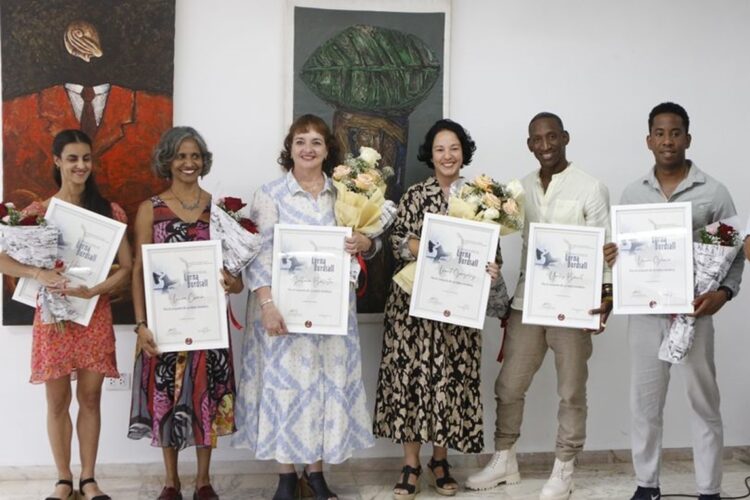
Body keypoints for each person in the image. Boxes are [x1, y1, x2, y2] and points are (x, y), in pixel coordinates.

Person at [466, 112, 611, 500]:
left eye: (552, 137)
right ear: (529, 144)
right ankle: (504, 459)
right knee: (508, 385)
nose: (545, 146)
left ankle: (564, 466)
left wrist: (606, 297)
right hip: (527, 301)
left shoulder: (591, 188)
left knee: (571, 391)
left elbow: (605, 251)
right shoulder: (520, 189)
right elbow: (495, 228)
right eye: (537, 139)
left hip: (574, 305)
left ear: (565, 137)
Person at [603, 102, 744, 500]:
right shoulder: (633, 193)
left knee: (704, 403)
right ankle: (647, 486)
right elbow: (625, 256)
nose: (668, 141)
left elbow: (732, 254)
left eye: (675, 132)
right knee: (644, 405)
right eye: (660, 133)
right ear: (649, 140)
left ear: (688, 138)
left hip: (694, 313)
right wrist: (614, 260)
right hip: (646, 317)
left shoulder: (713, 192)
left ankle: (709, 489)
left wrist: (723, 293)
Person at [232, 114, 376, 500]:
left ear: (328, 150)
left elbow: (362, 242)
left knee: (322, 388)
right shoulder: (271, 193)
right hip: (281, 309)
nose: (308, 149)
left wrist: (366, 243)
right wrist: (266, 304)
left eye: (316, 142)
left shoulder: (345, 195)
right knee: (286, 390)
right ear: (289, 149)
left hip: (330, 311)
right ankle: (285, 475)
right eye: (300, 141)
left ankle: (316, 474)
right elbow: (258, 255)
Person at [373, 119, 506, 499]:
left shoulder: (484, 199)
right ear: (430, 155)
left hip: (458, 311)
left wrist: (491, 267)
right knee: (411, 383)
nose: (448, 156)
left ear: (464, 152)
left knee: (448, 382)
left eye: (454, 148)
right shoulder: (416, 195)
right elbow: (398, 242)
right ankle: (411, 464)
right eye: (440, 149)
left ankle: (440, 460)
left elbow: (490, 249)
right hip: (413, 309)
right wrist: (430, 244)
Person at [0, 129, 132, 500]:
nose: (81, 166)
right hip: (52, 318)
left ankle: (88, 479)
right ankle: (63, 479)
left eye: (86, 158)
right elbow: (2, 258)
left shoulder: (110, 212)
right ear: (57, 161)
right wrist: (37, 273)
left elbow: (127, 266)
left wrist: (93, 290)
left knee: (90, 398)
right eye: (72, 158)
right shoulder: (38, 214)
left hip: (93, 313)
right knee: (56, 400)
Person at [128, 127, 242, 500]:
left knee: (206, 395)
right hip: (166, 327)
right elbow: (139, 272)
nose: (188, 163)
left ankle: (204, 480)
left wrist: (232, 282)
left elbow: (237, 277)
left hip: (208, 324)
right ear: (168, 160)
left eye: (195, 156)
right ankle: (171, 481)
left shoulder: (221, 209)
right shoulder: (150, 208)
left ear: (203, 160)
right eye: (180, 156)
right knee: (167, 395)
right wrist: (141, 325)